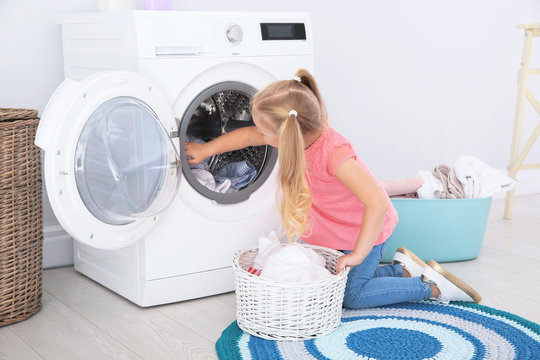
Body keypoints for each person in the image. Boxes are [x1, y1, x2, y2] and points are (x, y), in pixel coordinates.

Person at [185, 69, 481, 308]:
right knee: (321, 282)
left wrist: (356, 255)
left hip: (365, 233)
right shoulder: (298, 135)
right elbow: (249, 136)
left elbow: (377, 203)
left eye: (266, 132)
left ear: (288, 134)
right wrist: (206, 150)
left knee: (351, 296)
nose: (259, 135)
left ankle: (429, 287)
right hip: (336, 232)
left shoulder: (335, 155)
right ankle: (400, 269)